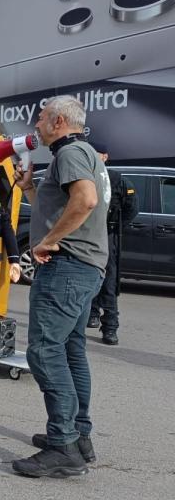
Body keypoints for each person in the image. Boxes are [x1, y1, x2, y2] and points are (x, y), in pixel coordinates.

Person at [11, 95, 109, 479]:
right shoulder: (83, 153)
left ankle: (63, 444)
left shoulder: (69, 152)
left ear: (57, 121)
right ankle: (79, 436)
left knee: (44, 351)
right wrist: (29, 189)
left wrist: (49, 240)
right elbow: (66, 204)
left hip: (66, 266)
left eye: (40, 118)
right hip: (85, 266)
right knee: (71, 350)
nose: (35, 125)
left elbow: (85, 201)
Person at [86, 140, 138, 346]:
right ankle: (91, 313)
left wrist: (114, 228)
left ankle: (110, 326)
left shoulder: (117, 180)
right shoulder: (84, 176)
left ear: (105, 157)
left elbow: (131, 209)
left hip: (107, 235)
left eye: (98, 154)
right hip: (86, 234)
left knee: (108, 280)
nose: (95, 157)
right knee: (86, 275)